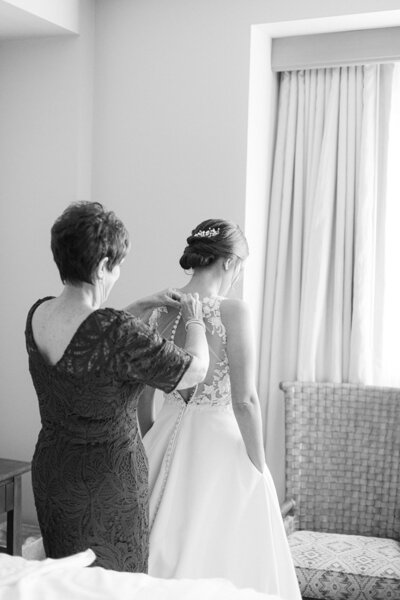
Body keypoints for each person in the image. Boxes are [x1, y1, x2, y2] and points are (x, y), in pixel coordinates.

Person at [24, 201, 209, 572]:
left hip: (54, 473)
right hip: (108, 484)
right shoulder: (118, 331)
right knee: (114, 585)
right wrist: (196, 322)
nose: (119, 273)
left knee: (66, 582)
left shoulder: (38, 313)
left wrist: (138, 306)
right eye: (118, 264)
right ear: (102, 265)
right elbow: (194, 371)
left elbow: (91, 342)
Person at [134, 219, 301, 599]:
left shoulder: (162, 306)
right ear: (228, 263)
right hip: (221, 445)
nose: (237, 276)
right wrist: (259, 467)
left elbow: (144, 395)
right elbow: (245, 400)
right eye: (240, 267)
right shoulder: (233, 311)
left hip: (165, 432)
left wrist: (151, 443)